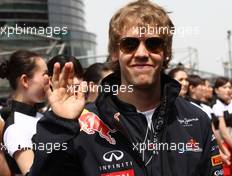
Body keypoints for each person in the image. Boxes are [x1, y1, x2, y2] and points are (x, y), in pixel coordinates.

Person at [30, 1, 222, 175]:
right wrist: (59, 124)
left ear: (166, 52)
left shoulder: (196, 120)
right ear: (114, 53)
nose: (141, 53)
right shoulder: (83, 124)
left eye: (153, 44)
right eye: (129, 44)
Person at [0, 50, 49, 175]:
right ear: (25, 81)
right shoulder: (15, 127)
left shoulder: (41, 116)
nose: (49, 80)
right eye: (45, 74)